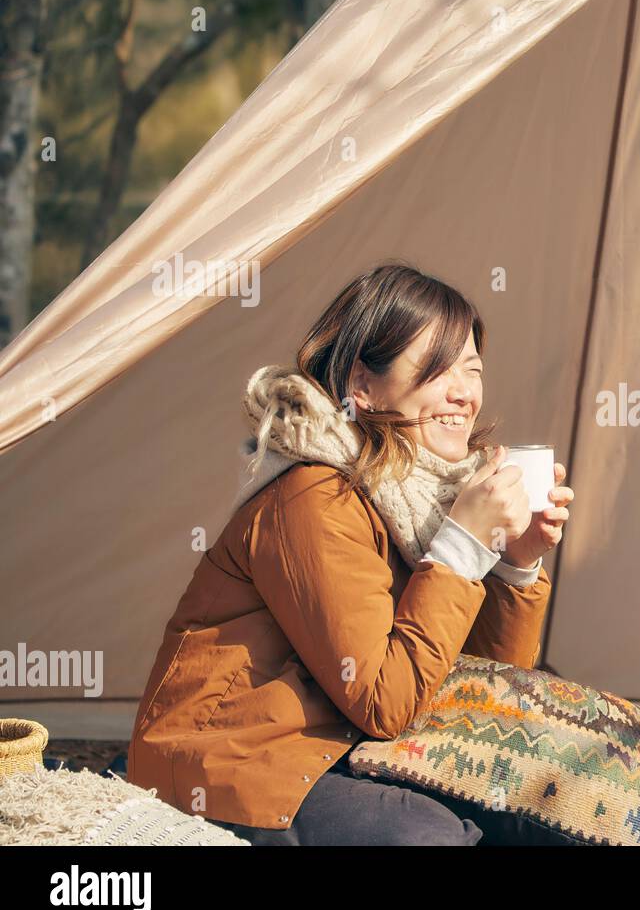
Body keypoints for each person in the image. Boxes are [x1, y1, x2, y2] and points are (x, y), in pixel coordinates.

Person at [128, 265, 575, 844]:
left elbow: (485, 687)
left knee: (548, 811)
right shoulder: (316, 492)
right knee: (425, 838)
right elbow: (381, 700)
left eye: (473, 370)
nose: (464, 393)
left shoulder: (433, 493)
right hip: (236, 761)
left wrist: (514, 560)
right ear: (362, 386)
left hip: (348, 747)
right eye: (438, 369)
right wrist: (463, 545)